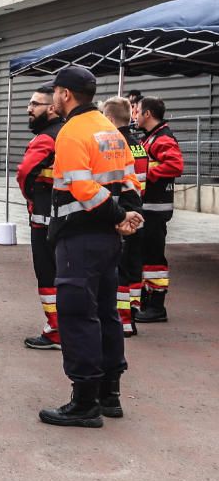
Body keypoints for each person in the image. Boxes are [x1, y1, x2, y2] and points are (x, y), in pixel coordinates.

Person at [39, 67, 142, 428]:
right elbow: (130, 177)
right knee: (106, 311)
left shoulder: (71, 134)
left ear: (65, 95)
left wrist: (117, 214)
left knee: (78, 314)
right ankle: (109, 393)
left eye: (54, 91)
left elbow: (82, 188)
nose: (52, 97)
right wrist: (129, 214)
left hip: (80, 238)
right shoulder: (109, 129)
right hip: (109, 240)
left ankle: (85, 401)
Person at [16, 83, 64, 350]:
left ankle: (56, 330)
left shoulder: (46, 137)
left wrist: (32, 199)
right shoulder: (71, 132)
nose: (29, 109)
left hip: (44, 218)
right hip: (72, 218)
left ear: (53, 108)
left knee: (47, 274)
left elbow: (24, 173)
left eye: (35, 104)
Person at [132, 96, 184, 323]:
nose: (134, 115)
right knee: (145, 256)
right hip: (148, 208)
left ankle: (157, 307)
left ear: (148, 114)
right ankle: (147, 301)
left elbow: (175, 165)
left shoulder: (162, 138)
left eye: (137, 111)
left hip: (155, 208)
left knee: (154, 258)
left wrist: (145, 174)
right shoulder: (150, 138)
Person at [101, 96, 148, 337]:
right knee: (133, 266)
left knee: (119, 269)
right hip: (139, 209)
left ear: (109, 118)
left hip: (123, 211)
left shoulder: (115, 143)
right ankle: (133, 308)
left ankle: (124, 321)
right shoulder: (137, 143)